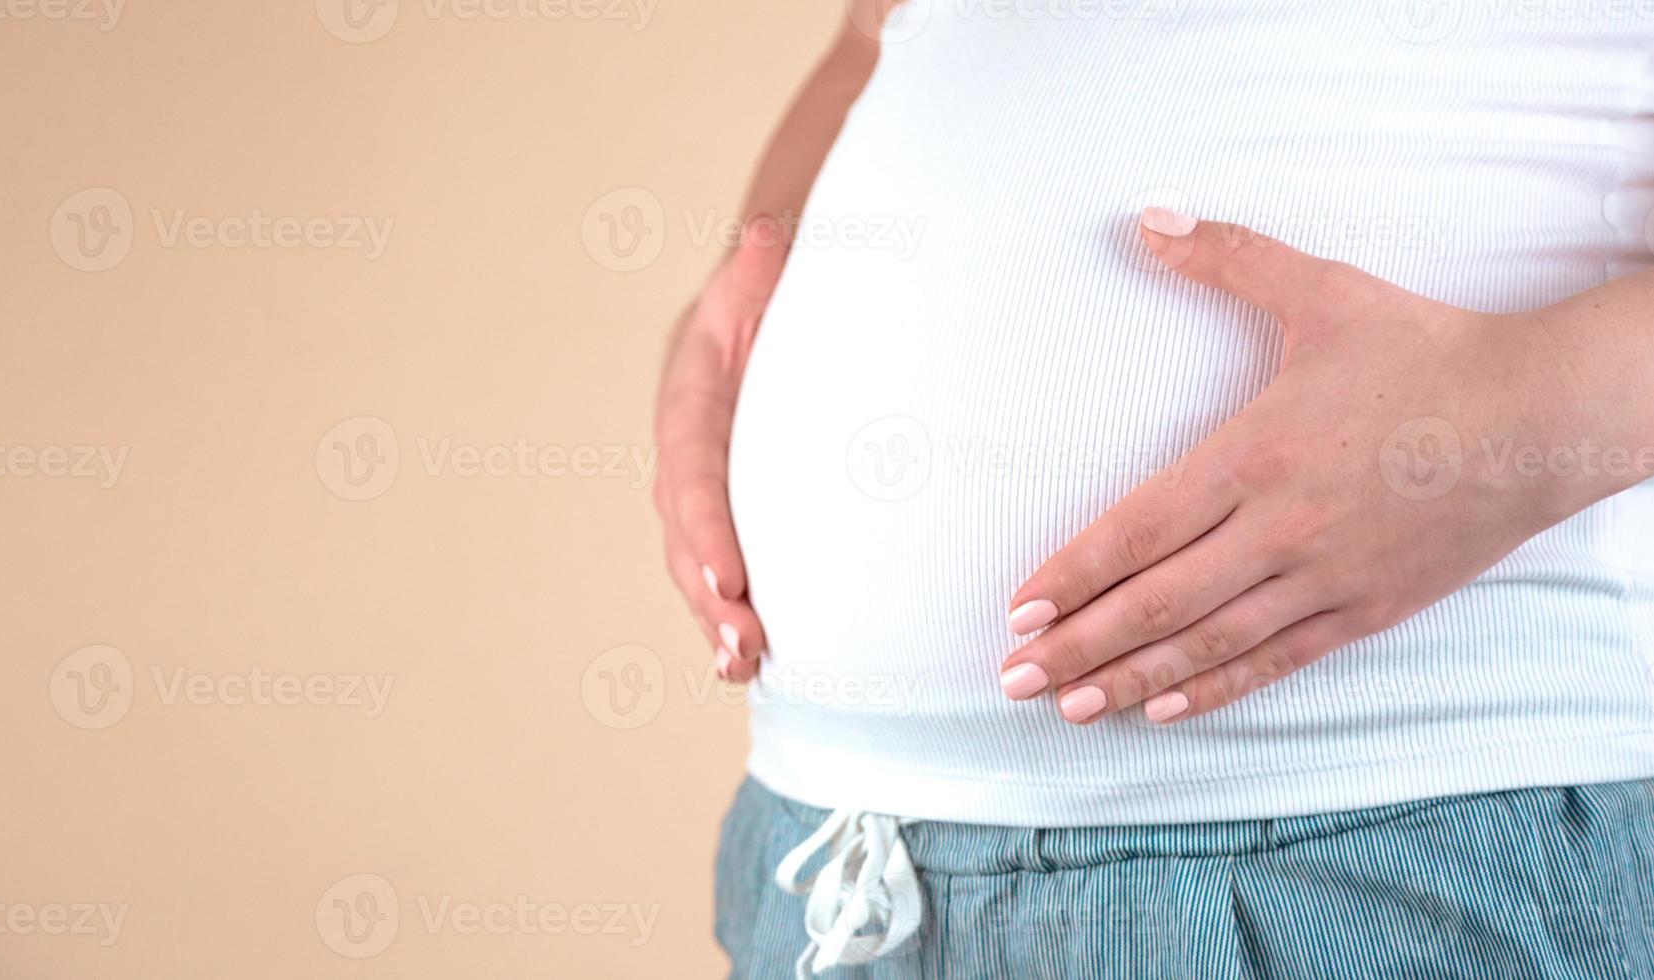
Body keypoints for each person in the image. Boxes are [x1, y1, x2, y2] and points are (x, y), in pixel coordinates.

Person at [653, 2, 1654, 976]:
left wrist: (1522, 418)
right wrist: (745, 290)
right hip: (833, 856)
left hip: (1420, 830)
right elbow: (879, 32)